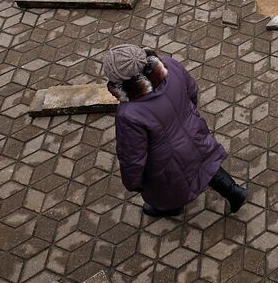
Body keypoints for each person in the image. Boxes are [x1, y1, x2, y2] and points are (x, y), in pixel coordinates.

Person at [102, 45, 248, 218]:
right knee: (206, 163)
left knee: (167, 189)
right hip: (194, 132)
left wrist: (133, 182)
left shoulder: (129, 113)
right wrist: (188, 116)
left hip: (166, 159)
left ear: (119, 81)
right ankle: (234, 192)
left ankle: (170, 208)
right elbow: (192, 91)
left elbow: (132, 156)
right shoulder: (169, 64)